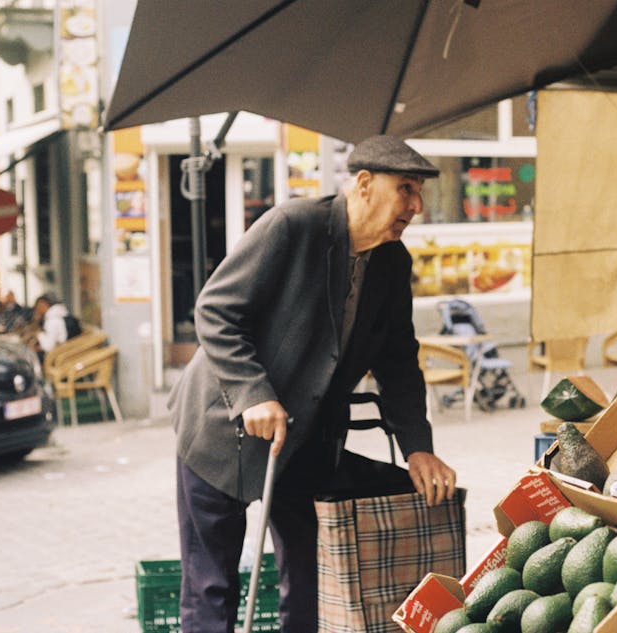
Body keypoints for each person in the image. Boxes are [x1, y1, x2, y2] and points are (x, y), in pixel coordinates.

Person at [167, 135, 457, 633]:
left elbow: (398, 361)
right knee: (212, 588)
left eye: (420, 192)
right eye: (406, 188)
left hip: (304, 440)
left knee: (310, 580)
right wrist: (254, 393)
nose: (417, 205)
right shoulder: (293, 225)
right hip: (220, 427)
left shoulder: (392, 262)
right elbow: (215, 311)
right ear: (363, 184)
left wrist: (418, 447)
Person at [29, 293, 81, 359]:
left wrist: (39, 334)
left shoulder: (52, 320)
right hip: (65, 351)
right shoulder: (59, 315)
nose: (36, 311)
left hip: (60, 356)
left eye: (37, 307)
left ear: (43, 304)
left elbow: (48, 347)